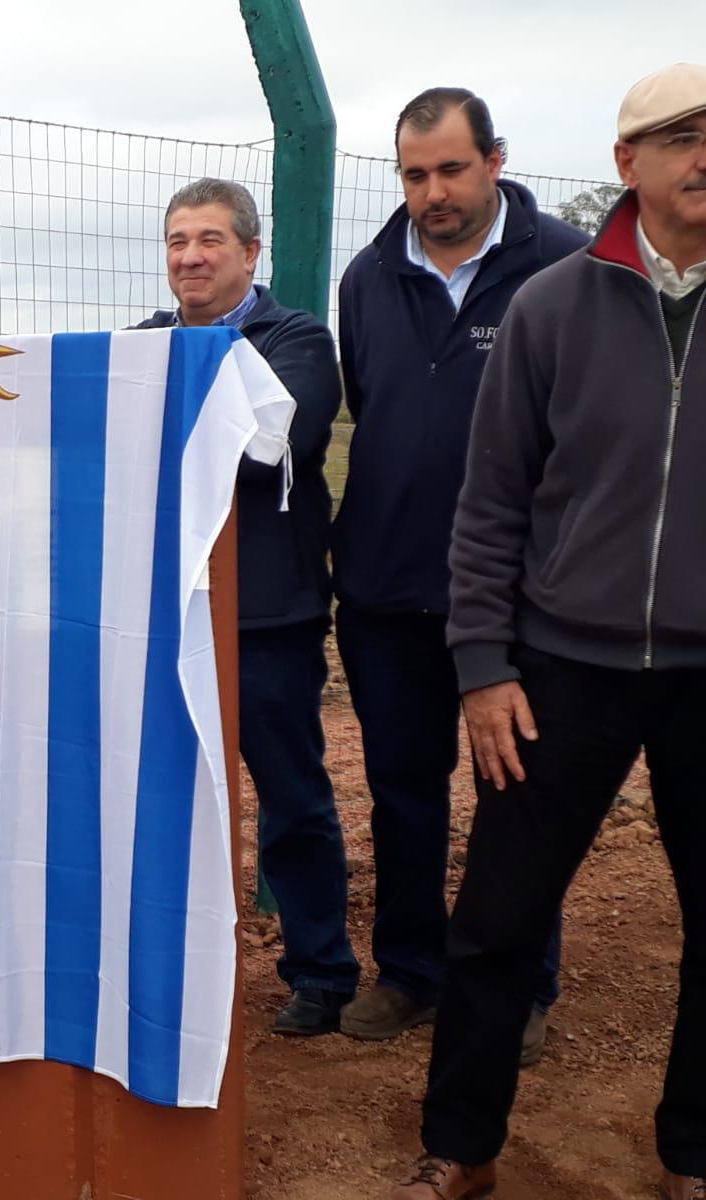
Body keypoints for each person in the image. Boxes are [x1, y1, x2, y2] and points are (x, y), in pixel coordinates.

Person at [389, 62, 706, 1200]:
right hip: (560, 667)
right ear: (626, 164)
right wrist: (482, 668)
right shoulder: (555, 304)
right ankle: (463, 1148)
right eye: (676, 136)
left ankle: (691, 1156)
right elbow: (490, 502)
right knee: (496, 923)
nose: (700, 156)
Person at [332, 88, 586, 1058]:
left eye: (449, 168)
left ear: (494, 159)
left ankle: (519, 984)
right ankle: (408, 973)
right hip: (385, 587)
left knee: (518, 800)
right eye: (412, 174)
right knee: (402, 789)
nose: (431, 192)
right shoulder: (366, 277)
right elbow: (376, 406)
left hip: (523, 601)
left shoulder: (565, 264)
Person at [135, 178, 356, 1035]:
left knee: (291, 798)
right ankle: (165, 968)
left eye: (210, 240)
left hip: (268, 616)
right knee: (160, 796)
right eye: (177, 241)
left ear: (251, 252)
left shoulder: (297, 339)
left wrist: (165, 422)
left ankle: (322, 973)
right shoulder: (142, 344)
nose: (190, 256)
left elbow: (273, 446)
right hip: (164, 612)